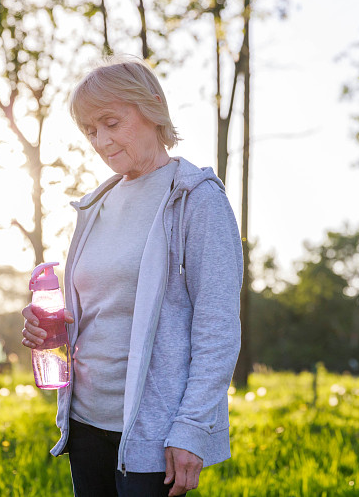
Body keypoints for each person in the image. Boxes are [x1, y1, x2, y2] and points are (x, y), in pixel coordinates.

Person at [21, 55, 243, 497]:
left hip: (156, 432)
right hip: (85, 421)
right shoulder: (94, 205)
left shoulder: (197, 199)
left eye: (111, 123)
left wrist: (191, 429)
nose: (101, 141)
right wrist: (50, 332)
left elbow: (217, 328)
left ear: (152, 106)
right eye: (90, 130)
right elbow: (101, 314)